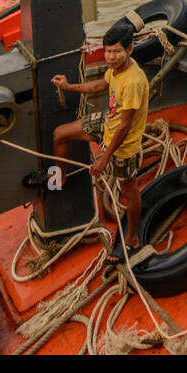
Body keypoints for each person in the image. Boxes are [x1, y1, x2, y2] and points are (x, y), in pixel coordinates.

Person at [50, 22, 150, 259]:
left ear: (130, 50)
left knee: (129, 191)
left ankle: (133, 237)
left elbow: (125, 126)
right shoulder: (114, 70)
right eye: (107, 51)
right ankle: (59, 178)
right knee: (59, 134)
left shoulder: (133, 81)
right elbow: (99, 85)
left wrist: (104, 157)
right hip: (107, 123)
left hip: (123, 145)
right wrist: (68, 86)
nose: (111, 57)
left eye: (117, 51)